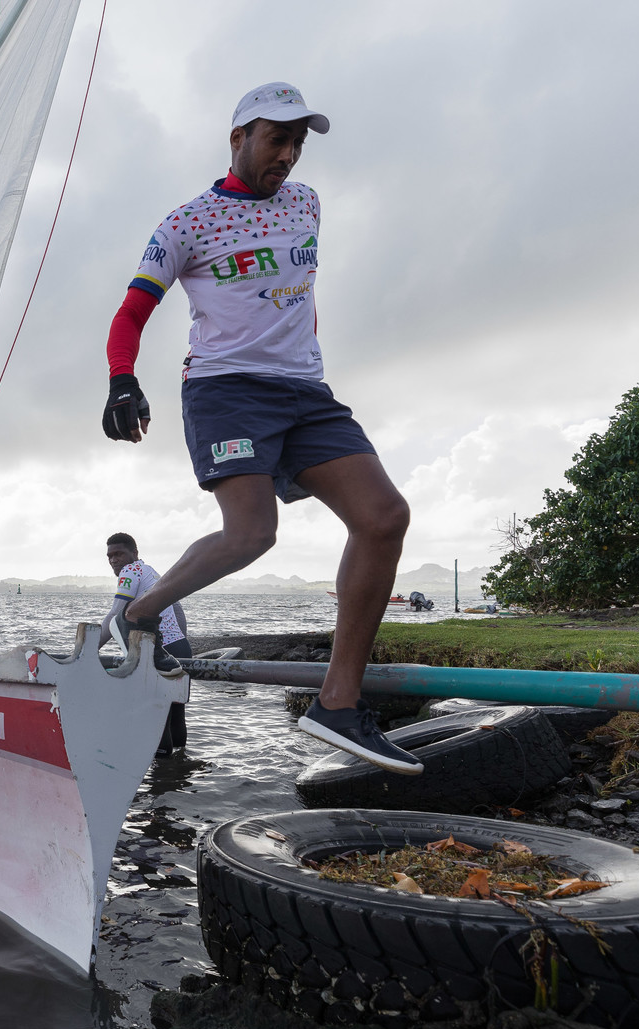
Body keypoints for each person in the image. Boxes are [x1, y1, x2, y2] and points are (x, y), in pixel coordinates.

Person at [100, 82, 419, 775]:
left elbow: (295, 296)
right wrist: (123, 377)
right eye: (277, 138)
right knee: (252, 533)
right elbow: (131, 313)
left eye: (298, 143)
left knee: (385, 515)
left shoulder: (307, 204)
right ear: (237, 136)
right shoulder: (188, 222)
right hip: (226, 391)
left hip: (306, 393)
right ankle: (142, 612)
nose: (289, 155)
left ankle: (337, 706)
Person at [100, 533, 190, 756]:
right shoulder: (151, 572)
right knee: (176, 718)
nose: (114, 560)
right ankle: (180, 777)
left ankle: (161, 783)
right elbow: (177, 609)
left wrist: (88, 649)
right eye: (109, 556)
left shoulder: (130, 571)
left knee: (158, 720)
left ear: (134, 554)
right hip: (179, 648)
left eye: (119, 554)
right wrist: (181, 643)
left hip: (160, 653)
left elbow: (115, 614)